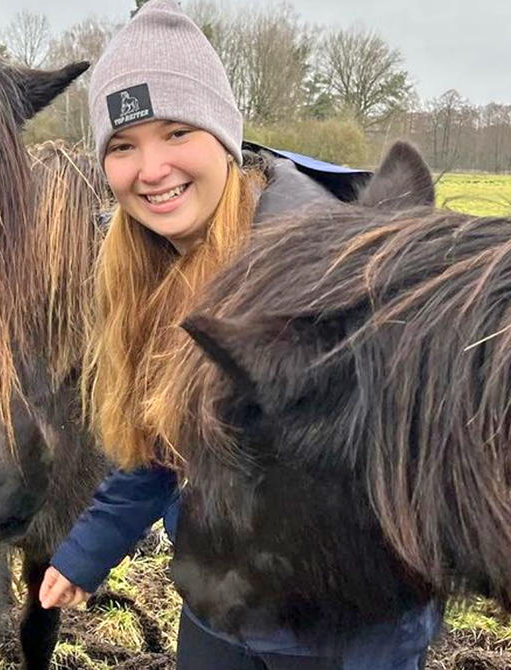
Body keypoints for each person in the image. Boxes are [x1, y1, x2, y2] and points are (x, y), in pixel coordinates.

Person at [39, 1, 442, 668]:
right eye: (123, 145)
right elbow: (158, 447)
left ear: (224, 135)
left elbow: (396, 486)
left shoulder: (323, 267)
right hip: (225, 605)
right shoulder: (142, 267)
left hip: (339, 627)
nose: (151, 169)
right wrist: (87, 552)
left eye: (176, 133)